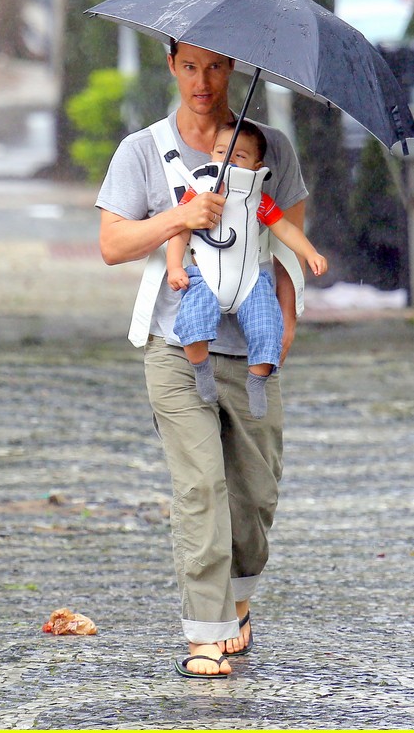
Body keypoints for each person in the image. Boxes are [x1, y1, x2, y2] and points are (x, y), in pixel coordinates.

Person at [95, 41, 309, 678]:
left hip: (252, 354)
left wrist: (288, 322)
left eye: (216, 66)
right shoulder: (143, 149)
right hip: (174, 347)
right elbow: (112, 244)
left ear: (234, 70)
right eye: (190, 66)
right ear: (171, 66)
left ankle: (237, 595)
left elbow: (286, 248)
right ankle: (205, 636)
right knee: (200, 489)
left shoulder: (271, 150)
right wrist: (178, 217)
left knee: (254, 496)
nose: (203, 81)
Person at [166, 121, 327, 418]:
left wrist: (310, 252)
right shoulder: (199, 192)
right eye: (221, 152)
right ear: (210, 154)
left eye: (239, 156)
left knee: (268, 328)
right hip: (207, 279)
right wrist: (175, 266)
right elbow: (179, 233)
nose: (228, 159)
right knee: (193, 320)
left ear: (257, 164)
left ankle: (256, 380)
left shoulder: (260, 201)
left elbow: (285, 229)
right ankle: (201, 370)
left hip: (250, 283)